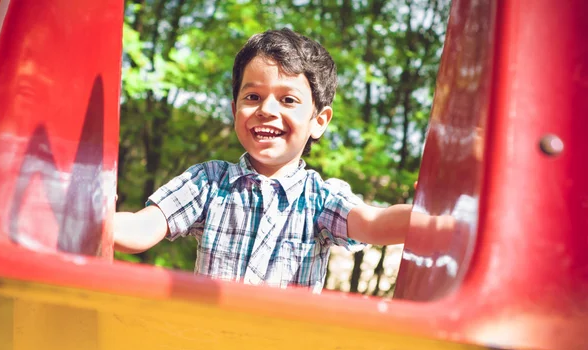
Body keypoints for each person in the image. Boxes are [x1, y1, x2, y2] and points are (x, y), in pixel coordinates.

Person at [114, 28, 449, 292]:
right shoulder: (209, 182)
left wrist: (430, 216)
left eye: (288, 99)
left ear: (319, 121)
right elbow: (142, 228)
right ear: (235, 111)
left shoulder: (320, 199)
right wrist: (89, 213)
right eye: (253, 97)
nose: (267, 110)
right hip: (209, 347)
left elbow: (374, 224)